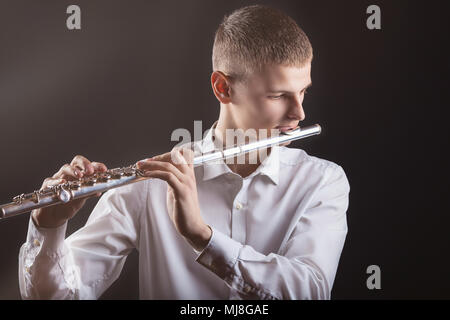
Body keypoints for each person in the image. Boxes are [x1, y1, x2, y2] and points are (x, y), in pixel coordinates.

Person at [18, 4, 350, 300]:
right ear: (223, 87)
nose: (299, 113)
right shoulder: (149, 184)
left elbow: (311, 290)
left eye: (302, 92)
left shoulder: (322, 181)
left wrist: (202, 236)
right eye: (279, 96)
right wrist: (47, 230)